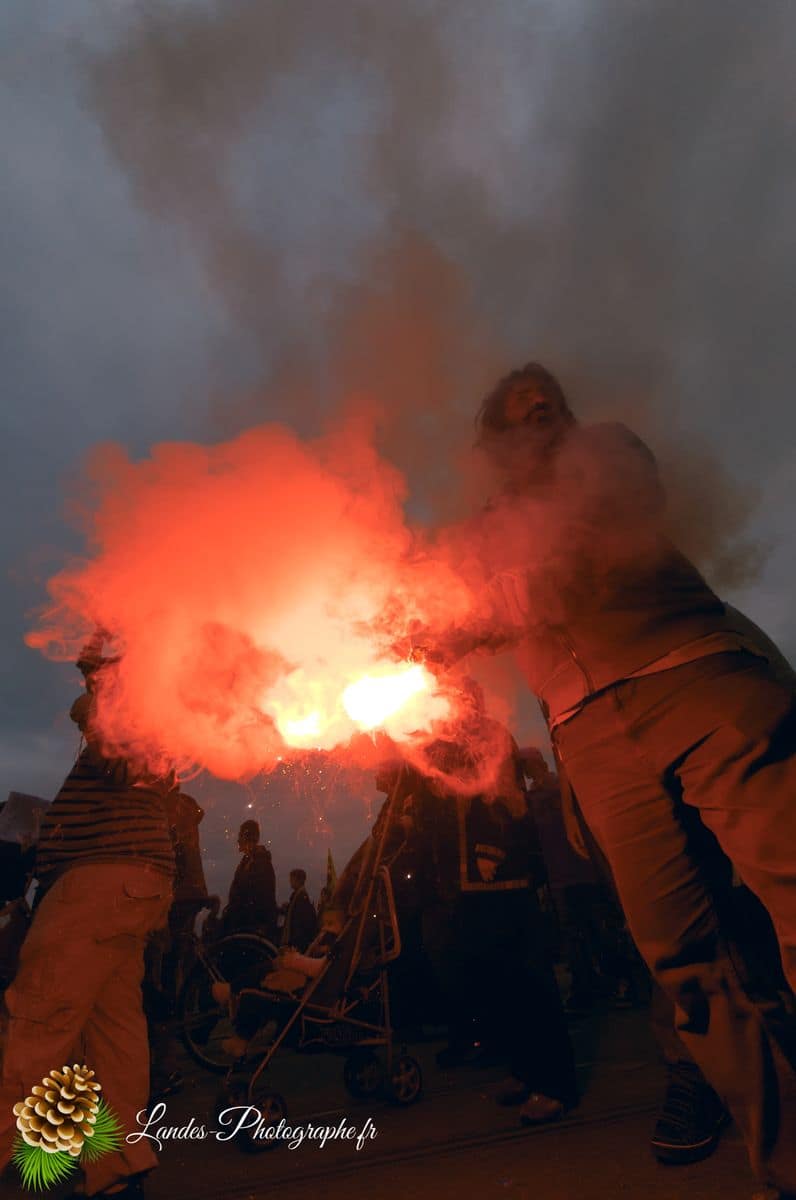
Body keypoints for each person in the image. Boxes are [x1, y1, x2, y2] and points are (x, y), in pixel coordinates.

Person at [409, 362, 796, 1197]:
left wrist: (464, 618)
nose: (539, 421)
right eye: (516, 416)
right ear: (491, 442)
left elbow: (580, 555)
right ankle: (787, 1159)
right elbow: (471, 612)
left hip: (695, 679)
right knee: (683, 961)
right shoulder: (482, 533)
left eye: (547, 407)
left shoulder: (604, 455)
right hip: (589, 733)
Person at [0, 650, 174, 1200]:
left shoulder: (132, 709)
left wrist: (102, 698)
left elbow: (124, 759)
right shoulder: (155, 714)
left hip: (95, 887)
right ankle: (119, 1171)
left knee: (38, 1019)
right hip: (130, 889)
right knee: (111, 1035)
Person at [396, 690, 578, 1125]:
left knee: (528, 982)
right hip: (464, 887)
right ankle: (521, 1068)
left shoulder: (491, 734)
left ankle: (553, 1084)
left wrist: (490, 849)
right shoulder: (442, 742)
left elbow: (504, 795)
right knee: (496, 984)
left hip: (501, 879)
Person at [221, 819, 277, 939]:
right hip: (243, 925)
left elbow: (260, 898)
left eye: (240, 835)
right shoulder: (248, 862)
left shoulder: (260, 863)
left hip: (250, 928)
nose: (238, 840)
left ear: (248, 837)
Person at [279, 868, 317, 952]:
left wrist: (297, 942)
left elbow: (300, 922)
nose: (290, 881)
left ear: (298, 880)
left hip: (297, 943)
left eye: (291, 879)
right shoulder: (298, 896)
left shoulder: (301, 898)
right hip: (296, 941)